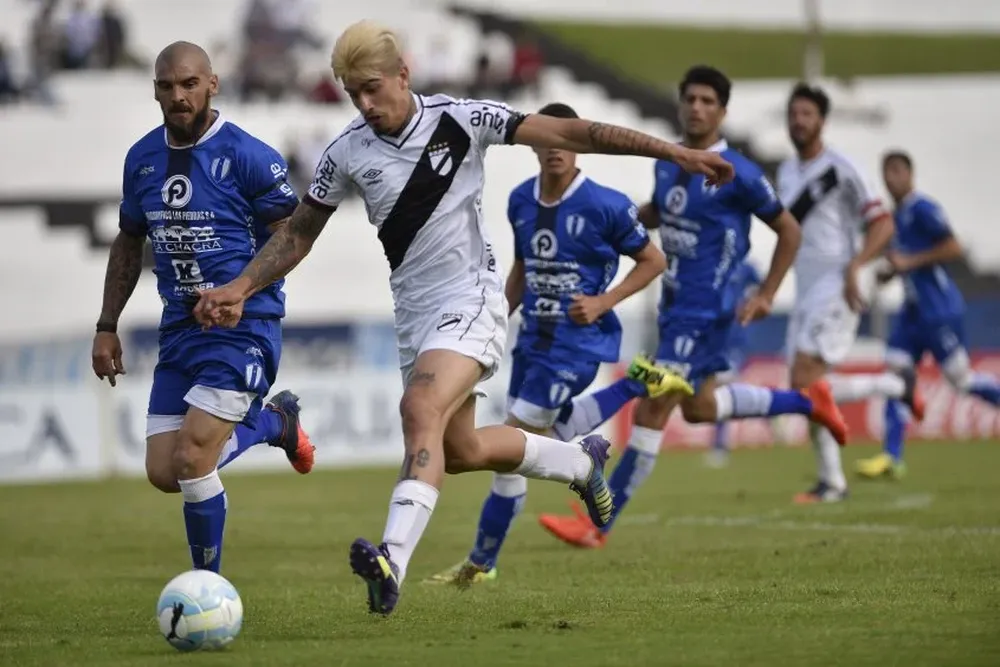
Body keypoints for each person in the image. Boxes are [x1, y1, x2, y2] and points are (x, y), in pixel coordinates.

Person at [191, 21, 734, 616]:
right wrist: (242, 285)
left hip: (472, 298)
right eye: (352, 94)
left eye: (373, 88)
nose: (365, 104)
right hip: (415, 314)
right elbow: (297, 232)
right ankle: (579, 460)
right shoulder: (345, 151)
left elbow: (574, 130)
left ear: (404, 74)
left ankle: (391, 561)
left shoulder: (464, 119)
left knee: (419, 408)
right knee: (465, 448)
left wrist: (675, 150)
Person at [538, 66, 848, 548]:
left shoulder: (740, 173)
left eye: (708, 101)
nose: (698, 108)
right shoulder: (667, 163)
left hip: (709, 309)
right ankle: (808, 401)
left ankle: (598, 525)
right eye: (691, 99)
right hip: (676, 305)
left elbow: (789, 229)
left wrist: (766, 292)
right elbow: (662, 211)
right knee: (700, 408)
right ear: (681, 105)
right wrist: (614, 226)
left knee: (652, 408)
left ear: (723, 111)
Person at [425, 102, 692, 587]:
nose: (554, 150)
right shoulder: (521, 201)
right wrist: (493, 321)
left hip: (578, 343)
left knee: (509, 441)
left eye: (564, 142)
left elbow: (653, 261)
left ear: (577, 146)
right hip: (533, 342)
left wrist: (603, 302)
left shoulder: (606, 204)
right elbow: (523, 269)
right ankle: (635, 384)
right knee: (526, 443)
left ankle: (480, 565)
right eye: (545, 141)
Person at [91, 41, 315, 575]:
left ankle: (205, 590)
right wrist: (106, 325)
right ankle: (274, 424)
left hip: (246, 328)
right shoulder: (141, 160)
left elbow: (294, 236)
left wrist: (242, 290)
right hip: (180, 328)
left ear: (212, 84)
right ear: (155, 91)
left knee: (193, 459)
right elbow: (127, 241)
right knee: (164, 470)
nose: (178, 95)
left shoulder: (249, 156)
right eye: (167, 86)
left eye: (189, 83)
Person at [777, 84, 923, 503]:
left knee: (806, 382)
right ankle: (832, 480)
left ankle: (894, 385)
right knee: (802, 390)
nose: (798, 121)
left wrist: (857, 266)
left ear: (821, 120)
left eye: (806, 113)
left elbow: (883, 224)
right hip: (804, 286)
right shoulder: (787, 171)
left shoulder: (841, 168)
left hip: (837, 283)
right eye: (793, 113)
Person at [856, 151, 1000, 479]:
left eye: (896, 170)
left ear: (910, 174)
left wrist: (908, 263)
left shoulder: (922, 209)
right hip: (912, 314)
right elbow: (905, 260)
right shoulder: (897, 217)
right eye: (886, 172)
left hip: (938, 310)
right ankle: (892, 457)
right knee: (895, 376)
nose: (890, 178)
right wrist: (891, 273)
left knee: (960, 380)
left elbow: (953, 247)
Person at [705, 259, 762, 468]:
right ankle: (769, 411)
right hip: (715, 339)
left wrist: (749, 303)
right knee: (724, 393)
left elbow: (762, 288)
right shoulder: (712, 261)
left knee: (720, 392)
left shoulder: (745, 267)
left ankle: (719, 446)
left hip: (735, 340)